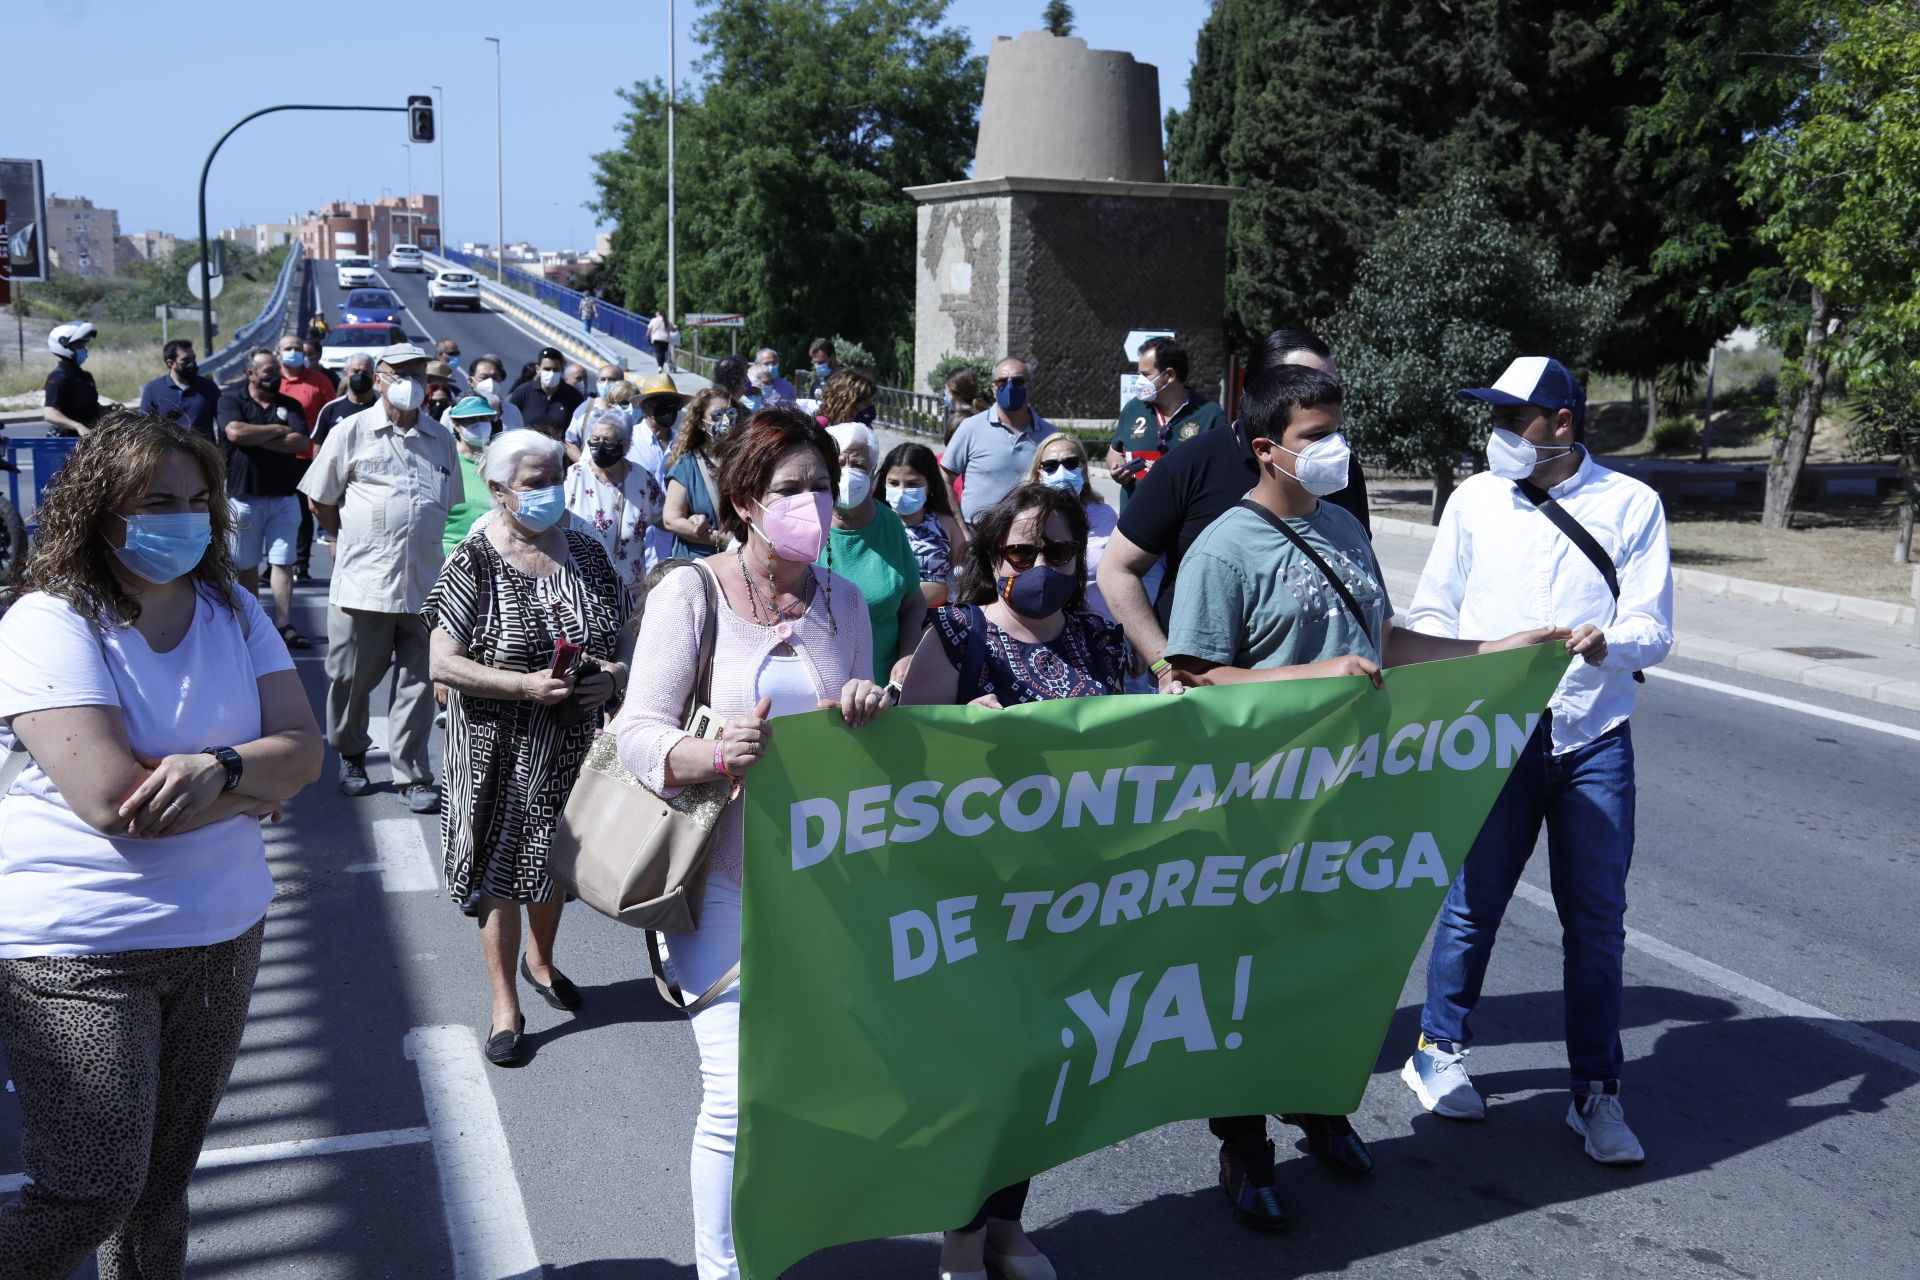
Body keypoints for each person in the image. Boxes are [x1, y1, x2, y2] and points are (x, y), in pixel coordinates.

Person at [1161, 363, 1578, 1232]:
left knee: (1331, 970)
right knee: (1247, 978)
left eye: (1336, 431)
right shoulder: (1223, 549)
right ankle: (1243, 1144)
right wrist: (1315, 675)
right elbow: (1194, 677)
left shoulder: (1347, 527)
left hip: (1352, 806)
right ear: (1265, 448)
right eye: (1316, 437)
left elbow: (1382, 640)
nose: (1333, 450)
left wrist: (1495, 651)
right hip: (1261, 812)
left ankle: (1318, 1106)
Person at [0, 409, 323, 1280]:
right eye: (155, 501)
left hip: (223, 932)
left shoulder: (233, 607)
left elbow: (305, 750)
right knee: (91, 1192)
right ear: (98, 510)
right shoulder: (48, 620)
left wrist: (219, 770)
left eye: (195, 499)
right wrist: (253, 791)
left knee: (160, 1188)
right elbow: (113, 801)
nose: (181, 518)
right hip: (81, 947)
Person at [617, 407, 886, 1279]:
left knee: (795, 1086)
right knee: (733, 1093)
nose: (813, 502)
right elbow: (635, 733)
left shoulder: (843, 600)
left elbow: (856, 741)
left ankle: (772, 1234)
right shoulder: (691, 592)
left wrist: (865, 711)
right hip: (717, 874)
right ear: (742, 500)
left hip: (818, 881)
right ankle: (719, 1270)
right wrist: (710, 751)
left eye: (823, 484)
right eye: (791, 489)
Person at [1401, 355, 1670, 1165]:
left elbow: (1654, 629)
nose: (1498, 434)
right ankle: (1438, 1050)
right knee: (1474, 901)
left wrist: (1607, 643)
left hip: (1592, 738)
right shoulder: (1476, 500)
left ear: (1560, 423)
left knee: (1596, 923)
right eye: (1495, 417)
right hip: (1496, 735)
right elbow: (1432, 607)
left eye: (1512, 419)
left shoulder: (1632, 504)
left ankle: (1596, 1093)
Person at [898, 481, 1134, 1280]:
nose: (1038, 565)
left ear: (1079, 556)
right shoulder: (956, 635)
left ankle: (1007, 1225)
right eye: (1021, 552)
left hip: (1075, 898)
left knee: (1045, 1068)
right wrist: (967, 737)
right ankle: (961, 1237)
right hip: (976, 903)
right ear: (993, 556)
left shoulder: (1103, 643)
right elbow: (899, 763)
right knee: (986, 1072)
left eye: (1057, 551)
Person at [425, 429, 633, 1068]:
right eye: (534, 483)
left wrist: (613, 676)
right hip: (493, 747)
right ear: (497, 490)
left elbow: (626, 636)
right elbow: (441, 664)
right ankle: (504, 1004)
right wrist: (520, 685)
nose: (549, 493)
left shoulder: (588, 552)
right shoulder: (474, 561)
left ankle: (541, 963)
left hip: (571, 741)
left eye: (554, 480)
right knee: (498, 870)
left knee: (554, 864)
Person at [1096, 327, 1351, 697]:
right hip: (1224, 715)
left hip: (1332, 714)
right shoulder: (1188, 467)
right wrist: (1164, 665)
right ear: (1263, 393)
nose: (1322, 395)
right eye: (1304, 381)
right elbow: (1117, 569)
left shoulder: (1341, 471)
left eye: (1328, 382)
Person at [298, 342, 458, 812]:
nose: (410, 382)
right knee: (349, 678)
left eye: (418, 374)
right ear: (380, 377)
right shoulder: (351, 431)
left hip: (426, 583)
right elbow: (320, 499)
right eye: (399, 373)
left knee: (418, 683)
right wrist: (350, 539)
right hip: (365, 580)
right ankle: (351, 753)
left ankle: (412, 771)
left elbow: (446, 505)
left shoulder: (441, 438)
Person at [217, 349, 312, 649]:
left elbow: (300, 442)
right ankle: (251, 622)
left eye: (277, 370)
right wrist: (277, 431)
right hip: (244, 499)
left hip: (284, 497)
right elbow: (234, 432)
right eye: (268, 371)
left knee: (283, 562)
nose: (275, 376)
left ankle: (284, 623)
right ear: (251, 374)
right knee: (245, 565)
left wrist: (256, 437)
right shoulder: (232, 400)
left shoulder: (290, 404)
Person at [820, 422, 925, 683]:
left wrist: (907, 655)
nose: (847, 474)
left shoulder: (890, 524)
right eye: (839, 464)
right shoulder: (808, 522)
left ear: (873, 471)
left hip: (880, 688)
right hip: (822, 689)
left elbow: (913, 602)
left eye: (858, 465)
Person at [1106, 336, 1227, 508]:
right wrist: (1116, 467)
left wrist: (1172, 475)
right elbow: (1115, 451)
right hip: (1133, 524)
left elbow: (1223, 472)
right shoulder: (1132, 409)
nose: (1139, 381)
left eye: (1145, 375)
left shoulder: (1211, 415)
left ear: (1169, 375)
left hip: (1185, 524)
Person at [941, 356, 1056, 525]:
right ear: (994, 388)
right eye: (1002, 381)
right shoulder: (970, 428)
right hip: (977, 535)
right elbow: (944, 478)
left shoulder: (1050, 435)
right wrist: (959, 528)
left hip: (1029, 537)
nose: (1010, 387)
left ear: (1030, 386)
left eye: (1018, 380)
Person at [565, 407, 666, 598]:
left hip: (630, 589)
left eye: (607, 441)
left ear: (626, 445)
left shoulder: (642, 478)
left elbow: (663, 518)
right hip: (585, 587)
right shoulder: (573, 477)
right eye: (595, 439)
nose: (599, 446)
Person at [1025, 433, 1117, 622]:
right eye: (1051, 465)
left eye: (1070, 463)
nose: (1061, 471)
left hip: (1100, 624)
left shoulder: (1105, 515)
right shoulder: (1026, 518)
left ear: (1083, 468)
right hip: (1047, 625)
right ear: (1038, 474)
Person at [878, 440, 967, 608]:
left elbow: (965, 570)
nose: (902, 490)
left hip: (937, 621)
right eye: (894, 483)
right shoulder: (877, 523)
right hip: (888, 621)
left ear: (929, 485)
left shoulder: (945, 524)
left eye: (913, 484)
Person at [663, 387, 737, 561]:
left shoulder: (741, 461)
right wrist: (723, 540)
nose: (725, 420)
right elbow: (670, 520)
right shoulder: (686, 465)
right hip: (697, 563)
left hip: (734, 562)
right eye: (717, 415)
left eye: (730, 413)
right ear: (700, 423)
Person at [444, 395, 500, 553]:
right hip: (449, 555)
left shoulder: (502, 461)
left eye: (484, 418)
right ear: (456, 425)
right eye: (471, 419)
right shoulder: (444, 461)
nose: (480, 424)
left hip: (493, 555)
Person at [138, 339, 221, 442]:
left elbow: (222, 422)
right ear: (170, 363)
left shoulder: (209, 387)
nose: (191, 364)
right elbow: (144, 427)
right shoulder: (153, 389)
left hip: (203, 454)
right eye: (185, 360)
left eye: (193, 358)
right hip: (168, 453)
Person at [43, 322, 109, 437]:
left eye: (83, 346)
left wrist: (109, 409)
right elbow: (50, 413)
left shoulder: (86, 377)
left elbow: (90, 409)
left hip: (88, 439)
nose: (83, 350)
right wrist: (77, 426)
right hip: (66, 442)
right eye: (79, 346)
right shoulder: (58, 378)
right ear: (63, 347)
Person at [563, 364, 634, 462]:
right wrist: (584, 464)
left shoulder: (631, 410)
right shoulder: (586, 408)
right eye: (603, 379)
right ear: (597, 382)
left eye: (612, 379)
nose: (606, 384)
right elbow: (570, 443)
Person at [509, 346, 586, 438]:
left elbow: (579, 431)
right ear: (538, 369)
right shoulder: (523, 392)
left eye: (556, 370)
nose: (551, 373)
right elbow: (509, 422)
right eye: (547, 369)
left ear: (562, 371)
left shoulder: (574, 397)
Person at [311, 353, 380, 449]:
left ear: (374, 377)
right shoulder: (331, 409)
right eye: (355, 371)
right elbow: (318, 448)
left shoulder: (381, 409)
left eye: (365, 372)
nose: (360, 376)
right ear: (345, 374)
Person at [274, 333, 336, 430]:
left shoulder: (320, 380)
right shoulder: (270, 380)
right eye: (288, 349)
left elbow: (332, 414)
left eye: (297, 349)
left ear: (303, 353)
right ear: (278, 354)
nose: (293, 352)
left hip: (311, 443)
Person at [469, 353, 527, 433]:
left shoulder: (512, 411)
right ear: (471, 381)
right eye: (483, 377)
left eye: (495, 377)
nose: (491, 382)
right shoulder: (456, 411)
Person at [648, 307, 673, 371]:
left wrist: (647, 335)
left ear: (658, 313)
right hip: (665, 339)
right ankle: (661, 366)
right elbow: (672, 328)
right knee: (663, 353)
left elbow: (649, 329)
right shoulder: (666, 321)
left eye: (656, 313)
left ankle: (659, 366)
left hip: (656, 338)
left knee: (658, 353)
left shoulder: (654, 320)